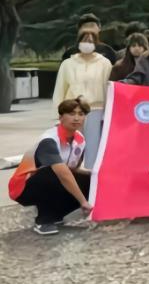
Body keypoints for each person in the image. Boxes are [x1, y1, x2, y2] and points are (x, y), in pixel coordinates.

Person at [8, 97, 92, 235]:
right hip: (23, 188)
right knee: (54, 172)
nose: (76, 118)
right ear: (61, 117)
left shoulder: (80, 139)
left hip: (51, 180)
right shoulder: (49, 140)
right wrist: (83, 201)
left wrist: (95, 175)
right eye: (71, 114)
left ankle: (56, 214)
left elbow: (73, 169)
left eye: (81, 114)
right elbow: (63, 172)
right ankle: (43, 221)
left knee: (92, 180)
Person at [53, 29, 112, 169]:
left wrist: (107, 113)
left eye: (90, 41)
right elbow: (60, 88)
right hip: (72, 108)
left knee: (93, 146)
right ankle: (69, 173)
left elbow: (108, 88)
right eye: (84, 40)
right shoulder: (68, 64)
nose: (87, 43)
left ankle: (91, 174)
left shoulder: (104, 63)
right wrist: (58, 114)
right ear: (78, 42)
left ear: (96, 43)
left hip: (95, 110)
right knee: (71, 144)